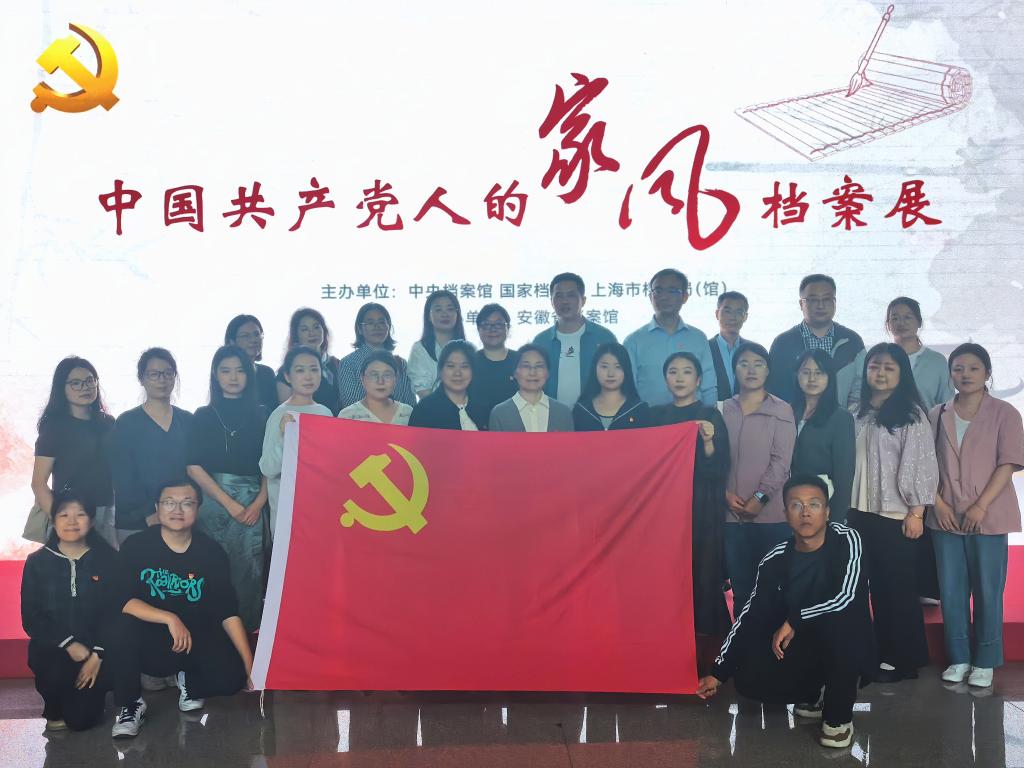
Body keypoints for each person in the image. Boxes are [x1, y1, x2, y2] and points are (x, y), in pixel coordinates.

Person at [697, 475, 874, 750]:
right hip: (804, 641)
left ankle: (838, 719)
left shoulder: (847, 539)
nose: (805, 512)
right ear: (785, 514)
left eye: (814, 504)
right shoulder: (775, 558)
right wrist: (718, 673)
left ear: (827, 512)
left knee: (842, 627)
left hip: (846, 637)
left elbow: (846, 597)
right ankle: (814, 693)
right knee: (749, 675)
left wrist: (795, 620)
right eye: (796, 505)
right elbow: (751, 615)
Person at [107, 478, 252, 738]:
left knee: (232, 679)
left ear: (198, 508)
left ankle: (189, 679)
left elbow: (228, 611)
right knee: (120, 625)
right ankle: (131, 703)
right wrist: (169, 618)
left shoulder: (211, 551)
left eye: (187, 503)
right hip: (148, 635)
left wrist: (250, 667)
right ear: (157, 507)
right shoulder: (136, 546)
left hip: (194, 637)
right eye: (169, 503)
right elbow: (122, 600)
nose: (177, 510)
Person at [929, 343, 1024, 689]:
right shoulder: (937, 413)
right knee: (951, 590)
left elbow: (1008, 462)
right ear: (950, 374)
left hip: (989, 514)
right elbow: (925, 465)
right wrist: (937, 504)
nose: (965, 374)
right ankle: (959, 657)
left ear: (987, 373)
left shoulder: (1005, 413)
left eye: (973, 368)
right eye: (958, 368)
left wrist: (981, 505)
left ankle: (985, 659)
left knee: (988, 589)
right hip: (946, 516)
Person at [848, 343, 938, 682]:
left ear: (902, 373)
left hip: (896, 515)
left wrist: (916, 512)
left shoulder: (911, 415)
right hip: (856, 513)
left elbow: (921, 465)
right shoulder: (855, 412)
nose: (880, 373)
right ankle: (873, 654)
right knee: (862, 588)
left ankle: (904, 659)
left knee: (895, 589)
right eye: (874, 366)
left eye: (889, 367)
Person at [185, 345, 268, 632]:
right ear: (215, 375)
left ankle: (247, 640)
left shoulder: (262, 415)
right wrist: (229, 503)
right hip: (213, 502)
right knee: (211, 569)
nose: (233, 377)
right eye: (225, 370)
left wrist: (258, 503)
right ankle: (209, 637)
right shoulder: (203, 415)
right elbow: (193, 466)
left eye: (240, 370)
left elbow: (270, 466)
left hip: (253, 503)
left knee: (250, 572)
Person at [650, 352, 731, 639]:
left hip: (701, 508)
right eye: (673, 372)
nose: (679, 378)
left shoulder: (711, 416)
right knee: (665, 572)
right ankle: (667, 634)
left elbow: (719, 469)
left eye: (687, 372)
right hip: (664, 510)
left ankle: (705, 643)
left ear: (698, 380)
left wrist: (708, 442)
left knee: (703, 573)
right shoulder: (655, 416)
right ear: (665, 379)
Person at [21, 493, 116, 732]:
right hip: (54, 647)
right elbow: (31, 617)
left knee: (81, 721)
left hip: (96, 649)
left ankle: (95, 695)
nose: (72, 521)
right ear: (53, 521)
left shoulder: (108, 559)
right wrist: (68, 644)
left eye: (80, 515)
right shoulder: (37, 562)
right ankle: (53, 704)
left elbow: (115, 612)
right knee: (55, 692)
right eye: (64, 515)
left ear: (91, 521)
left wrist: (97, 654)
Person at [722, 342, 797, 614]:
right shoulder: (722, 410)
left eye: (758, 364)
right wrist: (724, 494)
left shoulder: (782, 410)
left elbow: (781, 463)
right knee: (742, 589)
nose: (751, 370)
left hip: (771, 517)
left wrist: (759, 498)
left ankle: (774, 643)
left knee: (774, 588)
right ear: (734, 370)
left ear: (768, 370)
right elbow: (714, 461)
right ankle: (745, 640)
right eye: (744, 364)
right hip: (732, 517)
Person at [111, 348, 194, 545]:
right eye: (154, 374)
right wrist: (149, 513)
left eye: (168, 373)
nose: (162, 380)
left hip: (181, 517)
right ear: (141, 378)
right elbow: (122, 477)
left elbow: (195, 470)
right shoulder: (126, 423)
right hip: (137, 521)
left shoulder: (188, 420)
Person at [32, 357, 116, 547]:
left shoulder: (108, 423)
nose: (85, 387)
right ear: (61, 388)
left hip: (106, 510)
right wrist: (60, 519)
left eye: (89, 381)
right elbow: (38, 483)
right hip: (72, 513)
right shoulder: (54, 428)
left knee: (107, 563)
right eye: (76, 383)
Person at [260, 347, 334, 535]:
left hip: (320, 507)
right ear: (287, 376)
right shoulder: (279, 415)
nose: (308, 376)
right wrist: (284, 436)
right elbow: (268, 468)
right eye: (300, 370)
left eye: (314, 369)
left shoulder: (326, 413)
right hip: (288, 512)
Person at [841, 296, 955, 412]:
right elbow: (860, 395)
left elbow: (947, 404)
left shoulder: (937, 361)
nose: (901, 323)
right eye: (895, 318)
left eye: (908, 317)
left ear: (919, 322)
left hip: (925, 422)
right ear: (888, 324)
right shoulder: (876, 359)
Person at [623, 269, 717, 407]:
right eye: (658, 291)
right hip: (648, 418)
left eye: (672, 291)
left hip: (693, 418)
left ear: (685, 297)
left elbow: (709, 387)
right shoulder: (634, 341)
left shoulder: (698, 338)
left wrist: (708, 416)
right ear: (650, 297)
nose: (664, 297)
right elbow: (627, 389)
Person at [766, 274, 864, 404]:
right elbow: (774, 389)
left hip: (842, 416)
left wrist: (846, 415)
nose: (820, 305)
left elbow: (861, 387)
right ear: (801, 304)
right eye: (813, 300)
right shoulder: (783, 343)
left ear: (834, 302)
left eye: (827, 299)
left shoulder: (852, 341)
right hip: (793, 416)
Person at [532, 273, 617, 406]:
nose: (565, 301)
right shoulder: (540, 342)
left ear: (583, 300)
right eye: (559, 296)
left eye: (571, 295)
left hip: (595, 414)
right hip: (550, 415)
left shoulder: (604, 338)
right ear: (551, 301)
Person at [789, 350, 855, 516]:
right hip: (787, 504)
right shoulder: (786, 412)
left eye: (819, 373)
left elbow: (844, 474)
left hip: (821, 505)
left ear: (830, 377)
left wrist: (836, 518)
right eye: (806, 372)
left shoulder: (841, 418)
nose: (812, 378)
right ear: (797, 375)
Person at [337, 302, 417, 410]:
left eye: (382, 322)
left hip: (398, 420)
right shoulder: (349, 363)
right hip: (362, 419)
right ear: (359, 329)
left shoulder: (401, 363)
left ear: (388, 327)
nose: (377, 327)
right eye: (370, 323)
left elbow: (410, 404)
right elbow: (351, 403)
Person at [489, 344, 574, 432]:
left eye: (539, 366)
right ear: (515, 373)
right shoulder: (499, 413)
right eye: (526, 366)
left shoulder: (563, 412)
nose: (532, 372)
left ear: (547, 373)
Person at [409, 340, 488, 430]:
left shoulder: (483, 406)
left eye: (464, 366)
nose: (457, 373)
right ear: (440, 370)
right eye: (451, 366)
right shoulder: (424, 409)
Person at [275, 308, 342, 415]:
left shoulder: (337, 364)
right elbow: (285, 411)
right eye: (304, 329)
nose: (312, 333)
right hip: (302, 423)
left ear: (324, 330)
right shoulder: (287, 369)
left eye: (316, 327)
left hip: (333, 422)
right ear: (296, 335)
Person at [572, 342, 650, 430]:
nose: (611, 374)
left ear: (626, 370)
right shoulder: (581, 410)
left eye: (618, 367)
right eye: (604, 367)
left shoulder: (639, 410)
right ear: (594, 369)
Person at [408, 290, 466, 399]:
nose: (445, 314)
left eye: (450, 309)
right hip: (432, 408)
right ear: (429, 316)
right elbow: (423, 392)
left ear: (457, 314)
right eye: (438, 310)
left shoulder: (468, 349)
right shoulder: (420, 349)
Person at [469, 303, 519, 419]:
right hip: (475, 426)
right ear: (478, 329)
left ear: (508, 328)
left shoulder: (520, 361)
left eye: (498, 324)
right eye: (486, 325)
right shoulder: (469, 362)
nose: (492, 329)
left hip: (515, 426)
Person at [338, 351, 414, 425]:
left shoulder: (408, 413)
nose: (380, 381)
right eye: (374, 375)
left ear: (396, 378)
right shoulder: (347, 415)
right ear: (362, 378)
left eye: (387, 375)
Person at [224, 314, 278, 414]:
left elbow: (275, 410)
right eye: (245, 336)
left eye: (257, 334)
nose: (253, 340)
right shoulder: (225, 374)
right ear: (232, 342)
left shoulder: (267, 373)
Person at [708, 291, 750, 402]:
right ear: (717, 314)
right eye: (727, 311)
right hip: (711, 411)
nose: (733, 317)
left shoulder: (752, 351)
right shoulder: (705, 348)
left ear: (745, 317)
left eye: (739, 312)